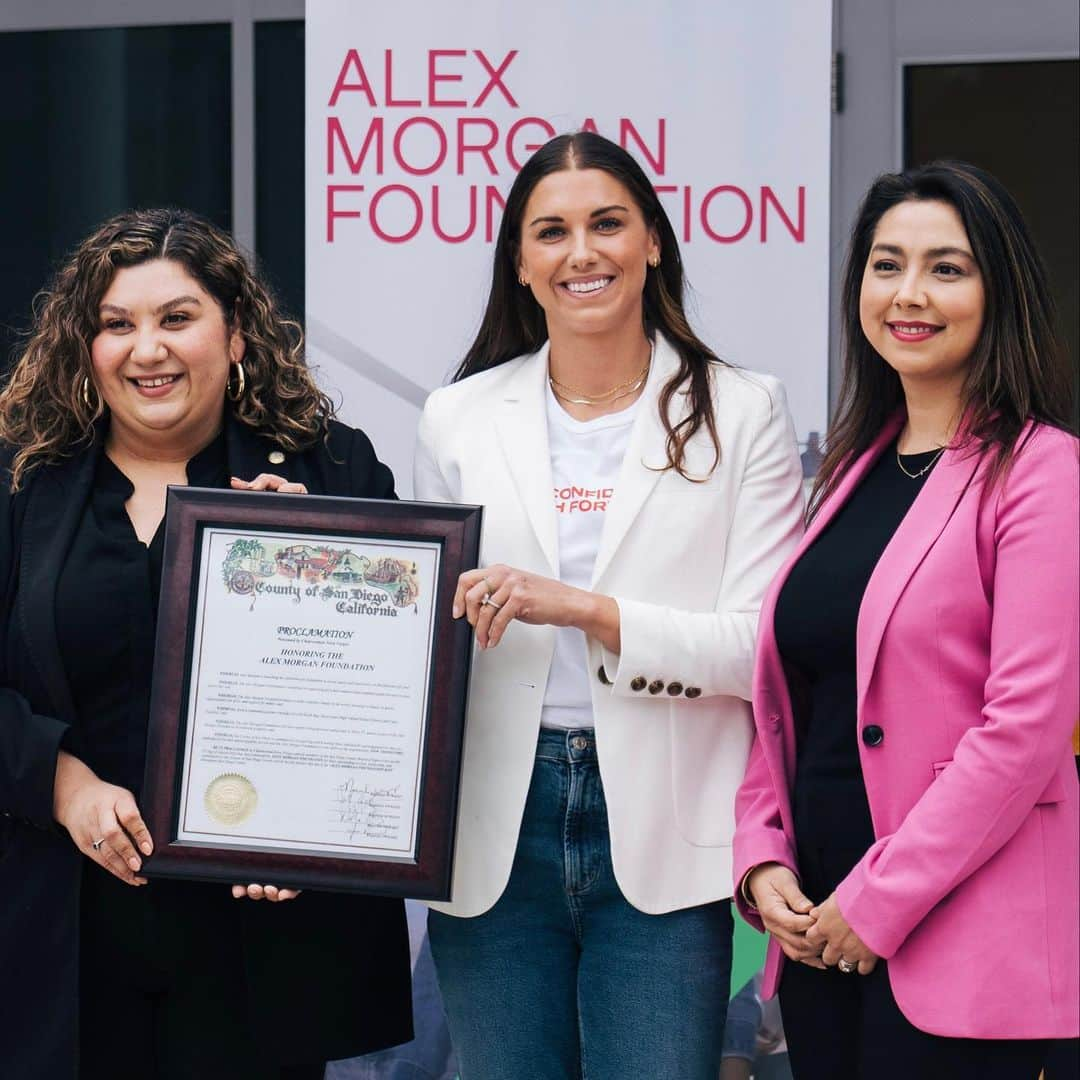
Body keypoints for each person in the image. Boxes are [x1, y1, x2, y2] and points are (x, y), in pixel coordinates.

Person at [412, 131, 805, 1079]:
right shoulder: (458, 415)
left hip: (668, 830)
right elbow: (421, 631)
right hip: (491, 830)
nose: (581, 252)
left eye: (607, 224)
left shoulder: (743, 408)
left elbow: (763, 646)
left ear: (654, 242)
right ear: (521, 263)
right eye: (551, 231)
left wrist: (590, 611)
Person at [0, 208, 413, 1079]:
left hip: (262, 942)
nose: (147, 348)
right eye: (118, 325)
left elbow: (393, 686)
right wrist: (60, 781)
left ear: (236, 337)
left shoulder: (332, 470)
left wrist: (325, 561)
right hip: (64, 933)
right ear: (87, 347)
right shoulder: (22, 484)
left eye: (176, 318)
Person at [732, 161, 1079, 1079]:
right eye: (886, 265)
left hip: (958, 947)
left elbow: (1025, 731)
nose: (909, 294)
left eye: (946, 268)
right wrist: (763, 861)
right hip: (816, 935)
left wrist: (874, 903)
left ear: (998, 291)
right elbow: (785, 700)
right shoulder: (847, 475)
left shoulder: (1045, 472)